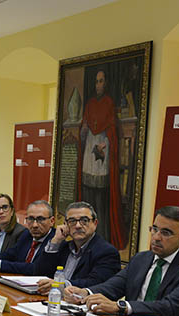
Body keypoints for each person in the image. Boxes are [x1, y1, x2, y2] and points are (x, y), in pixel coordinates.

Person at [64, 205, 179, 316]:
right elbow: (114, 286)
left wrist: (121, 306)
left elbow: (169, 307)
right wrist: (85, 293)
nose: (156, 237)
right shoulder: (141, 259)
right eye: (154, 229)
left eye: (165, 233)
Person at [79, 70, 125, 250]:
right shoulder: (90, 103)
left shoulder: (108, 102)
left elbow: (112, 128)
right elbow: (85, 124)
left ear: (105, 83)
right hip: (90, 147)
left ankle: (101, 234)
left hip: (102, 147)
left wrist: (105, 144)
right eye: (96, 81)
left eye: (101, 81)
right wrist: (83, 130)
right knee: (89, 190)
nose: (98, 84)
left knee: (101, 194)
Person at [35, 201, 120, 294]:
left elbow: (96, 283)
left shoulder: (107, 252)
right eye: (72, 221)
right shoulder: (64, 247)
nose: (78, 226)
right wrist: (55, 241)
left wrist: (61, 285)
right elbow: (41, 273)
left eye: (84, 220)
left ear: (95, 223)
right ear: (65, 225)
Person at [0, 200, 56, 275]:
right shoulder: (26, 234)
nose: (34, 225)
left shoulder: (55, 242)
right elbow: (9, 255)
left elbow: (36, 268)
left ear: (52, 221)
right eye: (31, 219)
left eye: (40, 219)